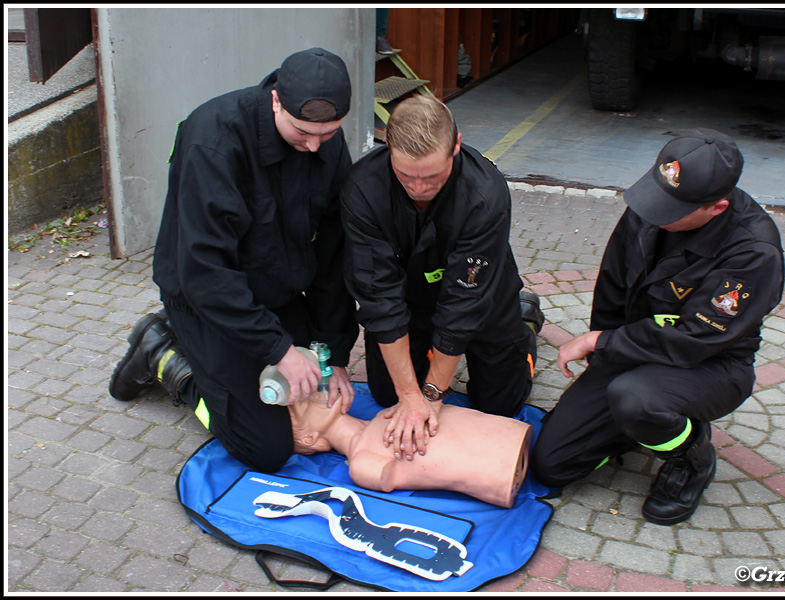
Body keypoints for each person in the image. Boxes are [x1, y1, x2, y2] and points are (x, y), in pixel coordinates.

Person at [108, 48, 358, 474]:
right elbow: (205, 272)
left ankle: (233, 358)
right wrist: (279, 350)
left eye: (329, 134)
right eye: (302, 133)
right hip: (205, 299)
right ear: (276, 100)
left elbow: (334, 254)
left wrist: (330, 352)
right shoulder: (215, 141)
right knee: (264, 447)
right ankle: (166, 358)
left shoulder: (324, 143)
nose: (315, 145)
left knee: (307, 390)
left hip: (274, 292)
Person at [531, 128, 785, 526]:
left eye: (671, 209)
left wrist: (604, 341)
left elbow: (695, 339)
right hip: (636, 350)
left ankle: (691, 456)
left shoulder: (753, 251)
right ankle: (640, 420)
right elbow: (613, 287)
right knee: (553, 465)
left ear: (716, 208)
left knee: (635, 399)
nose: (654, 212)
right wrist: (602, 357)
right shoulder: (656, 206)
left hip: (711, 365)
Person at [340, 95, 544, 462]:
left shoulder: (485, 194)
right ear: (388, 147)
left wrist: (431, 395)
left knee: (500, 404)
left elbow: (464, 303)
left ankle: (524, 322)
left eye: (432, 177)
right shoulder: (362, 188)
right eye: (406, 176)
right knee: (387, 394)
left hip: (483, 295)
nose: (419, 188)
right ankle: (431, 353)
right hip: (410, 296)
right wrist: (409, 395)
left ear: (456, 146)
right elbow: (379, 298)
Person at [289, 390, 532, 508]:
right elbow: (384, 477)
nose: (309, 395)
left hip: (511, 435)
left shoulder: (383, 415)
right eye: (302, 407)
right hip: (500, 469)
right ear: (310, 439)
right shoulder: (362, 461)